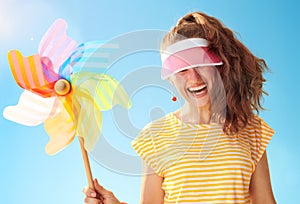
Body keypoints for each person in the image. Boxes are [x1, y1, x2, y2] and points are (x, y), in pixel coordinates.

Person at [83, 11, 276, 204]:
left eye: (201, 64)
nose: (194, 78)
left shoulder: (251, 129)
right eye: (182, 70)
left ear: (219, 66)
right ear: (170, 78)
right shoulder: (155, 135)